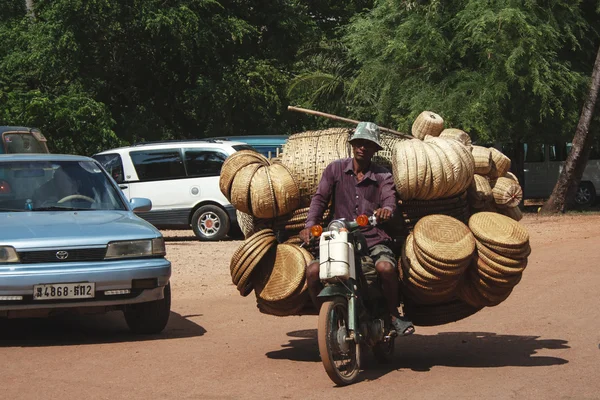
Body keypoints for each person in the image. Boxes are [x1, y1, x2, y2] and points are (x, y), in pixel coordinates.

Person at [299, 121, 415, 336]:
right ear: (352, 145)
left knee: (385, 269)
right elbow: (319, 199)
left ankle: (392, 315)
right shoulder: (335, 169)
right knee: (313, 272)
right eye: (359, 143)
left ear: (375, 150)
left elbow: (389, 200)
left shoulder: (383, 176)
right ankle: (327, 320)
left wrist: (386, 210)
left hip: (373, 238)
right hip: (338, 238)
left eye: (368, 144)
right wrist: (310, 224)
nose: (362, 147)